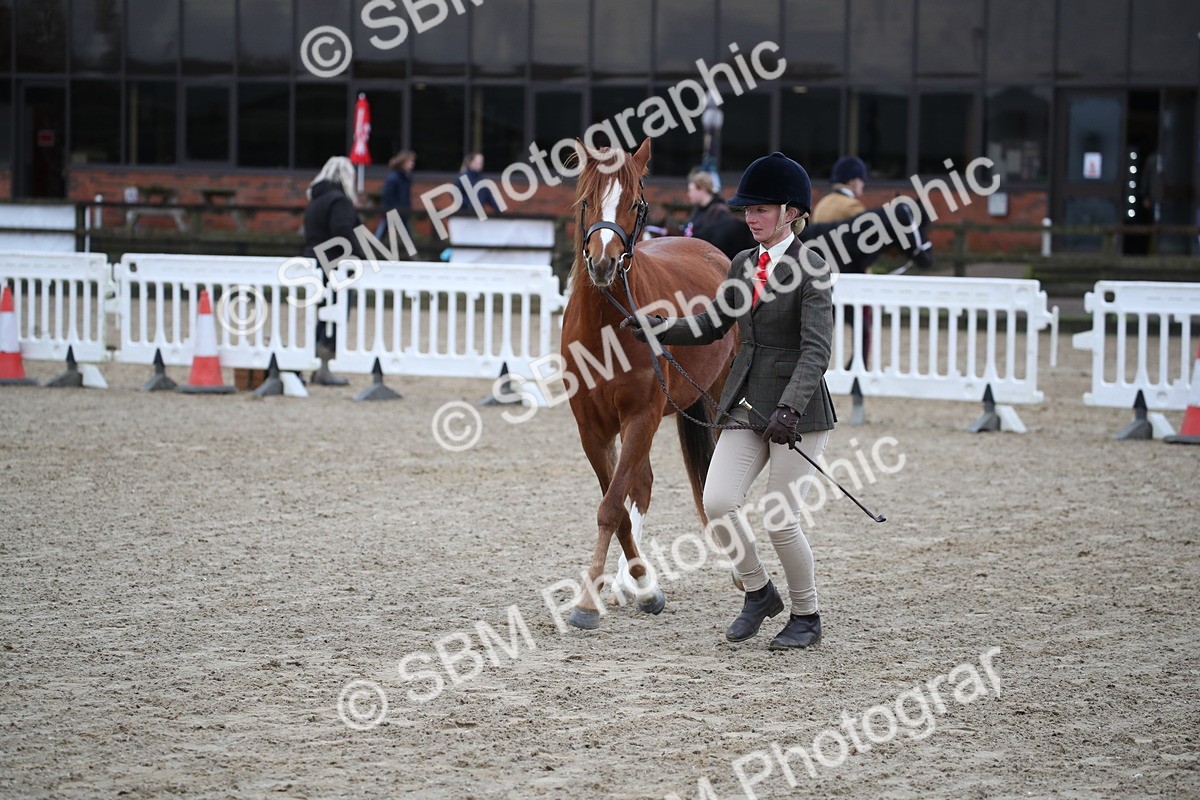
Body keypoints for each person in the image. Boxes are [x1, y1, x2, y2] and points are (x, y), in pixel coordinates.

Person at [624, 152, 836, 650]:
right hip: (746, 404)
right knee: (718, 501)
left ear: (791, 213)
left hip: (797, 413)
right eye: (748, 209)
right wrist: (662, 329)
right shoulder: (742, 263)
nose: (750, 217)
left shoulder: (813, 268)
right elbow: (714, 323)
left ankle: (807, 614)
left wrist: (790, 408)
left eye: (760, 209)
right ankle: (760, 592)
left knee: (781, 520)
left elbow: (816, 350)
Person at [303, 155, 365, 386]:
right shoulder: (339, 201)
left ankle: (318, 364)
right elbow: (343, 231)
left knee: (320, 315)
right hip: (334, 266)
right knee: (334, 315)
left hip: (314, 262)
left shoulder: (316, 199)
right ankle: (325, 366)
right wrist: (361, 255)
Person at [812, 155, 871, 365]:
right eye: (862, 181)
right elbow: (861, 246)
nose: (863, 186)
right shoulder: (853, 207)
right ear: (854, 181)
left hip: (822, 274)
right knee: (864, 324)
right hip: (847, 276)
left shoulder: (822, 204)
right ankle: (859, 364)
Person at [682, 168, 756, 259]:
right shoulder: (696, 212)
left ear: (702, 189)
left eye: (691, 190)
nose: (689, 194)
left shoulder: (719, 212)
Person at [375, 150, 416, 243]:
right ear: (403, 163)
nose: (412, 164)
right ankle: (370, 253)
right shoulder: (394, 177)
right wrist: (394, 209)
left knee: (407, 235)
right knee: (381, 233)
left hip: (403, 211)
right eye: (410, 161)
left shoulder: (406, 177)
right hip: (391, 211)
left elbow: (406, 196)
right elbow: (387, 195)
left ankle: (414, 256)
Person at [456, 152, 502, 216]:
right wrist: (466, 205)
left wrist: (499, 211)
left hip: (479, 216)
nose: (481, 164)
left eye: (482, 161)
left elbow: (489, 197)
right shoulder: (462, 178)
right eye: (478, 161)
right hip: (464, 215)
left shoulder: (483, 180)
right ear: (471, 162)